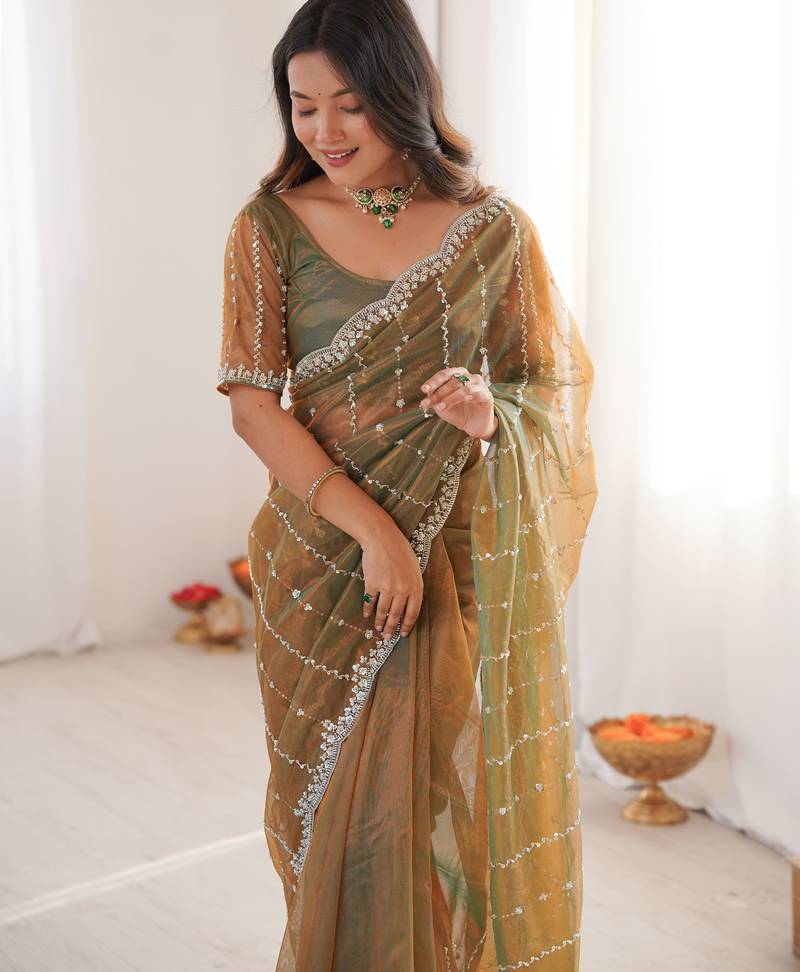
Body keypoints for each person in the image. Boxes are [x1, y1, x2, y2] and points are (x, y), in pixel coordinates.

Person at [215, 1, 597, 968]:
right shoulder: (269, 227)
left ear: (402, 93)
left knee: (424, 801)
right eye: (303, 105)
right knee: (329, 820)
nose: (325, 131)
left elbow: (545, 388)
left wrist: (487, 413)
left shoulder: (494, 231)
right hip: (322, 561)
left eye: (350, 103)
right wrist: (375, 536)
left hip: (449, 554)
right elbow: (255, 407)